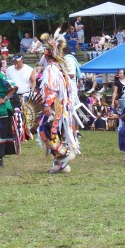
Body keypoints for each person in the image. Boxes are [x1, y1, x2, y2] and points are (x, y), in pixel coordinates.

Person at [38, 32, 78, 173]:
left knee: (45, 130)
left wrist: (48, 105)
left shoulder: (51, 69)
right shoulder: (60, 68)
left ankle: (64, 155)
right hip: (62, 106)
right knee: (54, 132)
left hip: (55, 105)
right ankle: (60, 162)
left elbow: (52, 88)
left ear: (47, 54)